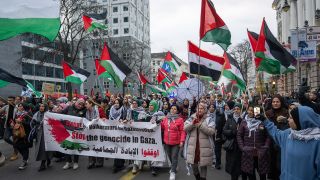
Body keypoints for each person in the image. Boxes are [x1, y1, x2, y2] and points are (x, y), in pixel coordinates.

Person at [262, 106, 320, 180]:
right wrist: (264, 120)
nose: (288, 119)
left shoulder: (317, 142)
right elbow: (276, 133)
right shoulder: (289, 133)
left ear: (301, 120)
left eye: (291, 118)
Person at [237, 106, 270, 180]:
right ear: (247, 110)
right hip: (248, 153)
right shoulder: (244, 122)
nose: (251, 112)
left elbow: (268, 136)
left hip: (261, 154)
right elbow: (239, 135)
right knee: (251, 176)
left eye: (254, 111)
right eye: (250, 110)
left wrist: (266, 146)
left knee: (263, 176)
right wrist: (242, 147)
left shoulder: (263, 122)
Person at [184, 102, 215, 180]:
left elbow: (211, 131)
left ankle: (203, 178)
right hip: (193, 145)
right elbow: (185, 128)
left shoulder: (209, 118)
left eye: (202, 108)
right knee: (194, 164)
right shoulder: (191, 117)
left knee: (203, 164)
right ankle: (197, 177)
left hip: (204, 146)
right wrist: (192, 124)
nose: (200, 110)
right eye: (198, 108)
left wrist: (201, 125)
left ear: (205, 110)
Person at [265, 95, 289, 180]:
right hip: (270, 143)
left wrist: (285, 121)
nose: (275, 103)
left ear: (281, 102)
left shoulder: (286, 112)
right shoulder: (267, 113)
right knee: (272, 165)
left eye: (277, 102)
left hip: (282, 143)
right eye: (273, 102)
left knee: (281, 165)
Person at [161, 104, 186, 180]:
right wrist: (158, 122)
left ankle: (173, 172)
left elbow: (182, 131)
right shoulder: (166, 118)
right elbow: (163, 127)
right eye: (172, 108)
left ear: (177, 111)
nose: (173, 110)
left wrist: (182, 141)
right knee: (169, 156)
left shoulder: (180, 119)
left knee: (174, 157)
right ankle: (174, 167)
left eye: (175, 109)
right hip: (166, 142)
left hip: (176, 142)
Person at [61, 98, 86, 170]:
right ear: (76, 102)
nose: (80, 106)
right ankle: (68, 162)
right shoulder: (69, 107)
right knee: (67, 146)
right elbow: (61, 114)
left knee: (76, 146)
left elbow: (85, 120)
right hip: (67, 130)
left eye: (82, 105)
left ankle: (75, 162)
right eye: (79, 104)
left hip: (76, 131)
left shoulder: (83, 110)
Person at [223, 104, 245, 180]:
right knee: (232, 167)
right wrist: (233, 131)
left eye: (238, 109)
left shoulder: (243, 120)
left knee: (240, 166)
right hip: (231, 146)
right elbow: (224, 131)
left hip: (240, 146)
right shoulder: (229, 119)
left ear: (240, 110)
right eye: (235, 109)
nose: (236, 110)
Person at [31, 103, 53, 171]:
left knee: (45, 148)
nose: (41, 107)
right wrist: (34, 122)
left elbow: (51, 123)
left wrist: (43, 123)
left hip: (46, 134)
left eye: (43, 106)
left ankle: (44, 162)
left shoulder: (48, 114)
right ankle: (45, 161)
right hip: (39, 134)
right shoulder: (36, 114)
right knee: (41, 149)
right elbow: (32, 124)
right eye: (40, 106)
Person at [12, 103, 32, 170]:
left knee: (24, 148)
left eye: (21, 106)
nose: (20, 107)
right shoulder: (17, 114)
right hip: (18, 133)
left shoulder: (28, 114)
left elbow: (30, 124)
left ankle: (24, 161)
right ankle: (25, 158)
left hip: (26, 134)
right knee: (16, 145)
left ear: (24, 107)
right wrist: (13, 123)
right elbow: (14, 121)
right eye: (19, 106)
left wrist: (22, 121)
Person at [109, 98, 127, 173]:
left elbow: (125, 118)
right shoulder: (111, 109)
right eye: (115, 103)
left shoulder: (123, 109)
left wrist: (123, 120)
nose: (116, 104)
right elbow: (109, 118)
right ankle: (117, 164)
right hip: (114, 131)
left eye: (117, 103)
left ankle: (119, 164)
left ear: (120, 104)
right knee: (116, 147)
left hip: (121, 131)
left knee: (120, 147)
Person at [85, 99, 104, 169]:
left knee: (98, 146)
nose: (85, 105)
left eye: (86, 104)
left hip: (97, 131)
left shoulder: (96, 110)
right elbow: (86, 120)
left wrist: (91, 122)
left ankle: (99, 162)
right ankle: (91, 162)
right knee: (90, 146)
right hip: (90, 131)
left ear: (90, 104)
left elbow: (97, 119)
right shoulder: (86, 111)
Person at [0, 96, 19, 161]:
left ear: (14, 101)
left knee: (15, 140)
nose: (9, 101)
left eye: (10, 100)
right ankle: (16, 145)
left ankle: (15, 154)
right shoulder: (6, 107)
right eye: (8, 100)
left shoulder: (17, 108)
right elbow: (0, 111)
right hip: (8, 126)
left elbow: (20, 116)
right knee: (6, 138)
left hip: (15, 127)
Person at [214, 94, 226, 170]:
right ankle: (218, 163)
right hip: (217, 129)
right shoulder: (214, 104)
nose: (219, 98)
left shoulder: (225, 104)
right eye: (218, 97)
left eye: (220, 97)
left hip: (224, 128)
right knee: (217, 148)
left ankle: (230, 164)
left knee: (227, 147)